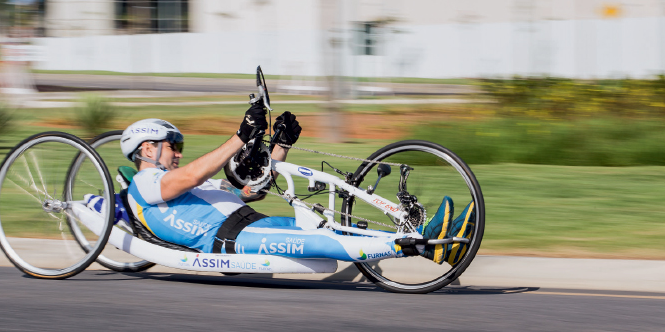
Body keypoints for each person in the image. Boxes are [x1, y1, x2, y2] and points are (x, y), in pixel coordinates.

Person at [86, 100, 473, 265]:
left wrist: (280, 145)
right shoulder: (146, 184)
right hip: (231, 242)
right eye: (174, 146)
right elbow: (192, 174)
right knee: (324, 242)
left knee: (342, 227)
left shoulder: (184, 184)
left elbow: (256, 188)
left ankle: (433, 238)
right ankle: (424, 247)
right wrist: (239, 136)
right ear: (148, 148)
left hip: (255, 223)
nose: (179, 153)